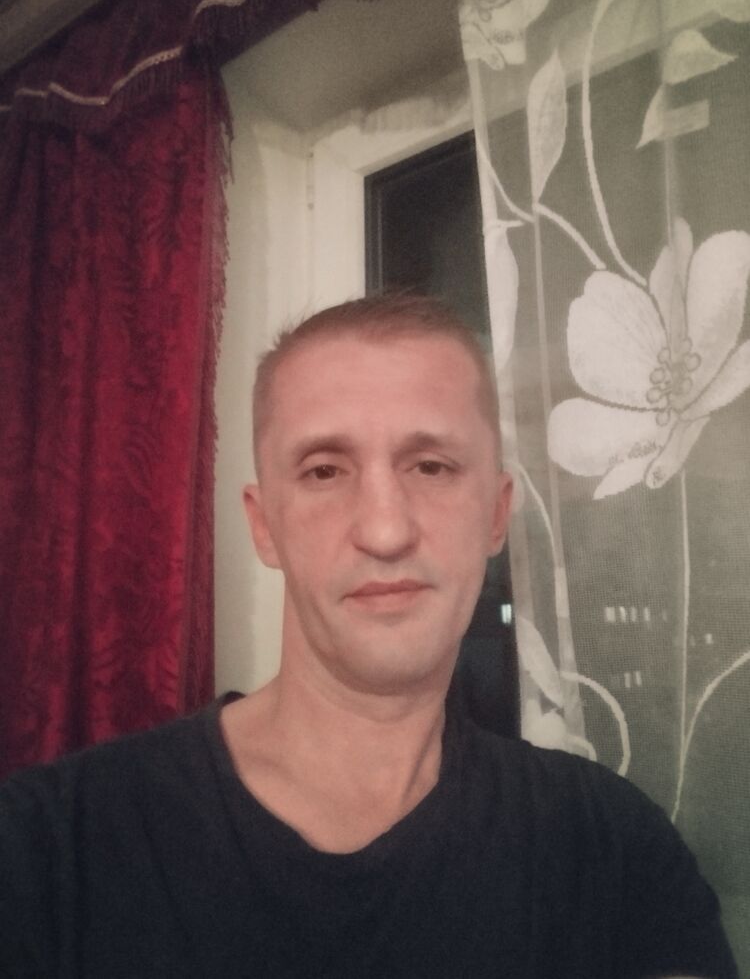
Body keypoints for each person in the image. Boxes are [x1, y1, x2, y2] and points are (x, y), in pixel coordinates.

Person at [0, 293, 738, 978]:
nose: (385, 530)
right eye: (324, 471)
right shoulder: (43, 852)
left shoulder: (613, 853)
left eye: (431, 466)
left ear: (496, 513)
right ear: (264, 526)